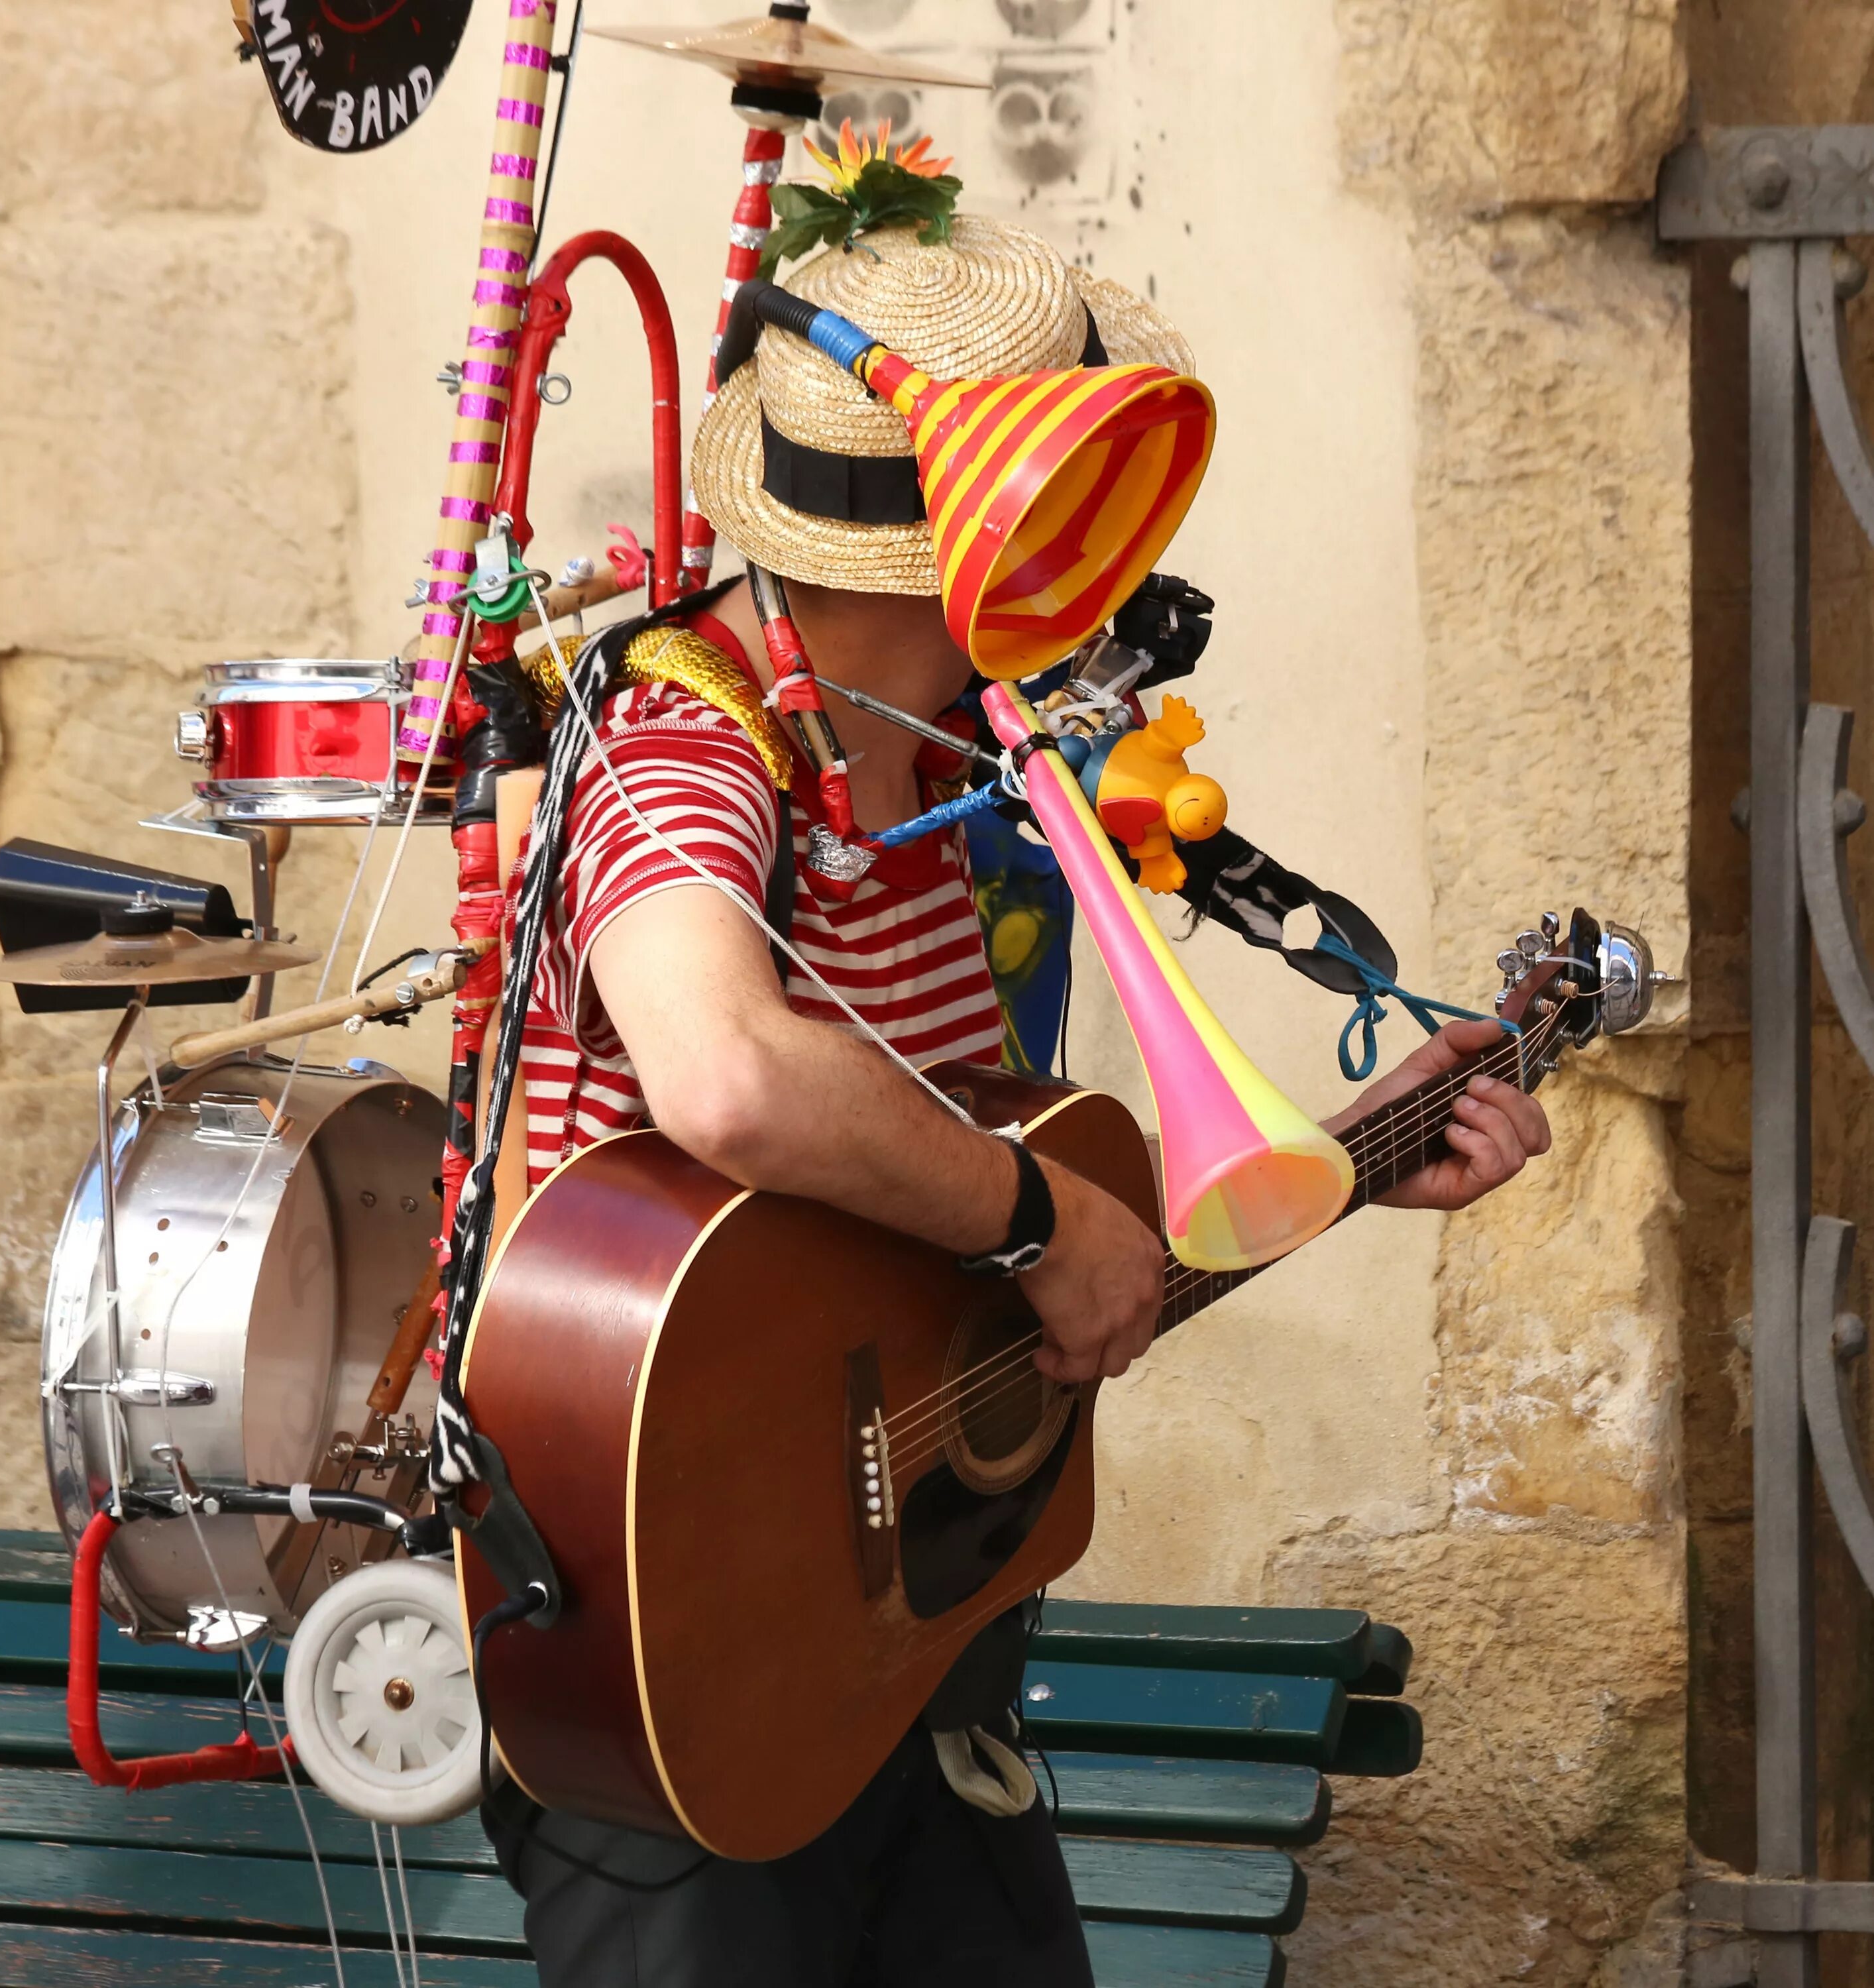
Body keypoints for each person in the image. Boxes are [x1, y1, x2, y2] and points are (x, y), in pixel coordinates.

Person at [480, 211, 1550, 1987]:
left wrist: (1354, 1158)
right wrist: (1041, 1218)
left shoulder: (952, 763)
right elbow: (724, 1069)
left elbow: (952, 1284)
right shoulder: (690, 739)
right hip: (684, 1630)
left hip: (912, 1659)